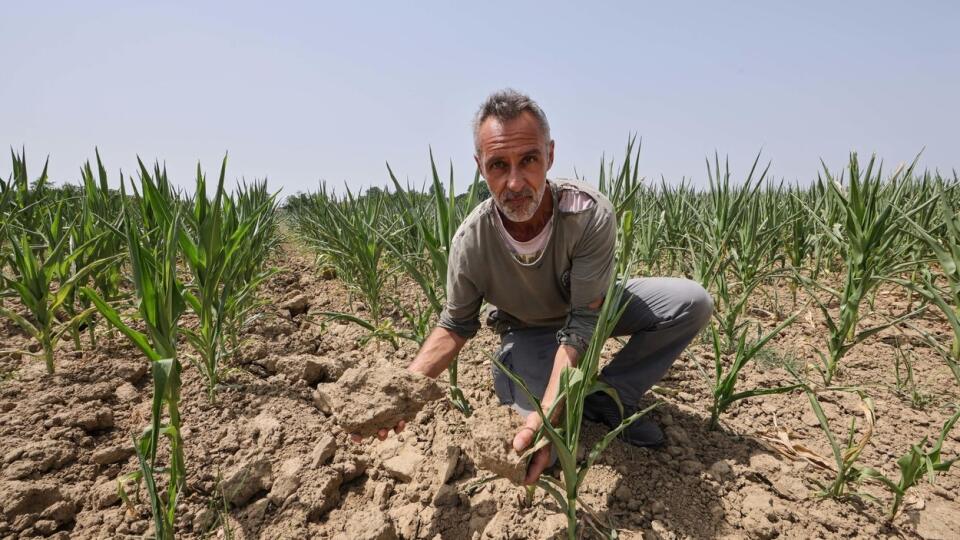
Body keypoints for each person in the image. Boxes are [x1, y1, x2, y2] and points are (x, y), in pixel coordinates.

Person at [364, 89, 713, 485]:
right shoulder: (472, 243)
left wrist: (551, 408)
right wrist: (402, 393)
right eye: (498, 165)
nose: (515, 182)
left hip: (592, 311)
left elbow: (585, 322)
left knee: (690, 302)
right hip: (531, 330)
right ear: (481, 167)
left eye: (528, 159)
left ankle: (610, 396)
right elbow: (456, 325)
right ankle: (540, 388)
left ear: (550, 154)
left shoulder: (586, 215)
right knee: (534, 443)